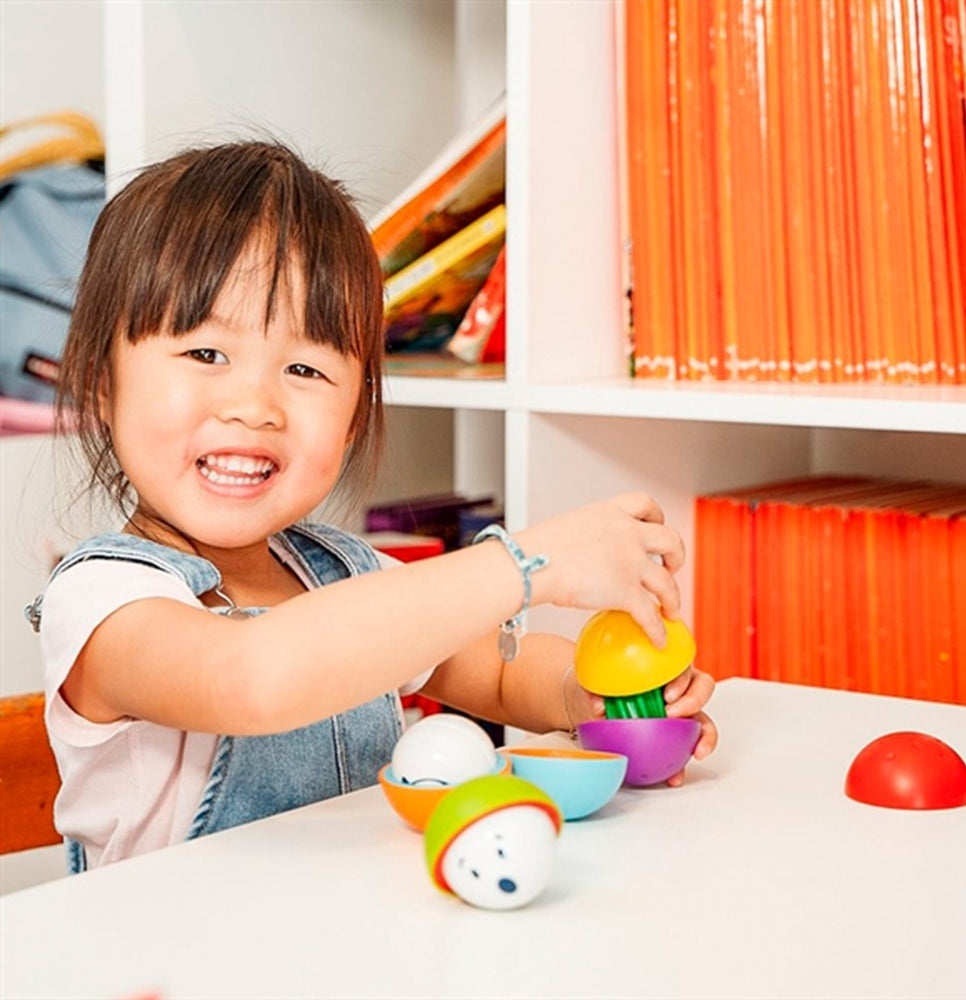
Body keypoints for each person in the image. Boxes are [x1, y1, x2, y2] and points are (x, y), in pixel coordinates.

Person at [27, 140, 717, 871]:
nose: (255, 406)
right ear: (100, 381)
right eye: (206, 354)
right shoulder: (103, 602)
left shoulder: (346, 574)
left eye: (304, 368)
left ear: (356, 414)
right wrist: (529, 563)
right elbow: (253, 679)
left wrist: (592, 696)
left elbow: (500, 671)